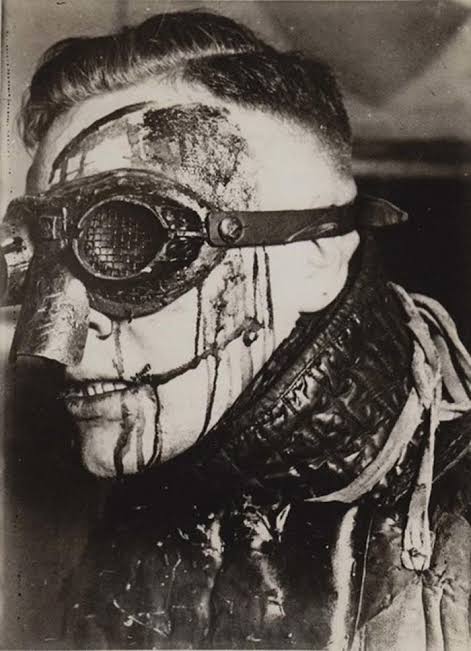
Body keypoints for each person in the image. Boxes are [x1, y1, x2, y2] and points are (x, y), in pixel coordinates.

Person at [2, 10, 471, 650]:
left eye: (127, 242)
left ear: (316, 257)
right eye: (37, 262)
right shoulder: (110, 514)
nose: (54, 342)